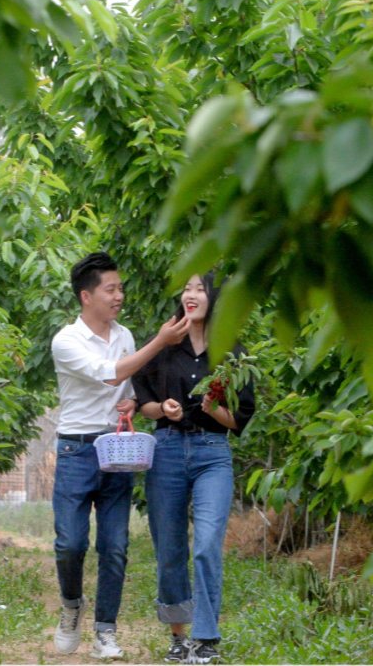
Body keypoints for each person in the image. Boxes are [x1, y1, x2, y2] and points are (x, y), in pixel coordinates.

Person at [51, 252, 191, 660]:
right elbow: (111, 373)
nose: (119, 296)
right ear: (86, 296)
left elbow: (124, 387)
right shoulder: (67, 340)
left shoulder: (125, 335)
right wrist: (162, 341)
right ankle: (71, 606)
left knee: (114, 546)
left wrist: (132, 403)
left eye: (120, 288)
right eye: (111, 289)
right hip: (76, 449)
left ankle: (105, 631)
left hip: (116, 448)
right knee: (70, 543)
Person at [133, 273, 255, 665]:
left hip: (212, 453)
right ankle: (177, 636)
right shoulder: (164, 344)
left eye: (199, 288)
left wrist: (214, 410)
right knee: (169, 548)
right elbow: (144, 402)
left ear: (214, 297)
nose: (190, 295)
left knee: (205, 547)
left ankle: (206, 639)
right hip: (166, 450)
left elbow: (239, 419)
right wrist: (163, 409)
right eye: (186, 289)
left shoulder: (233, 352)